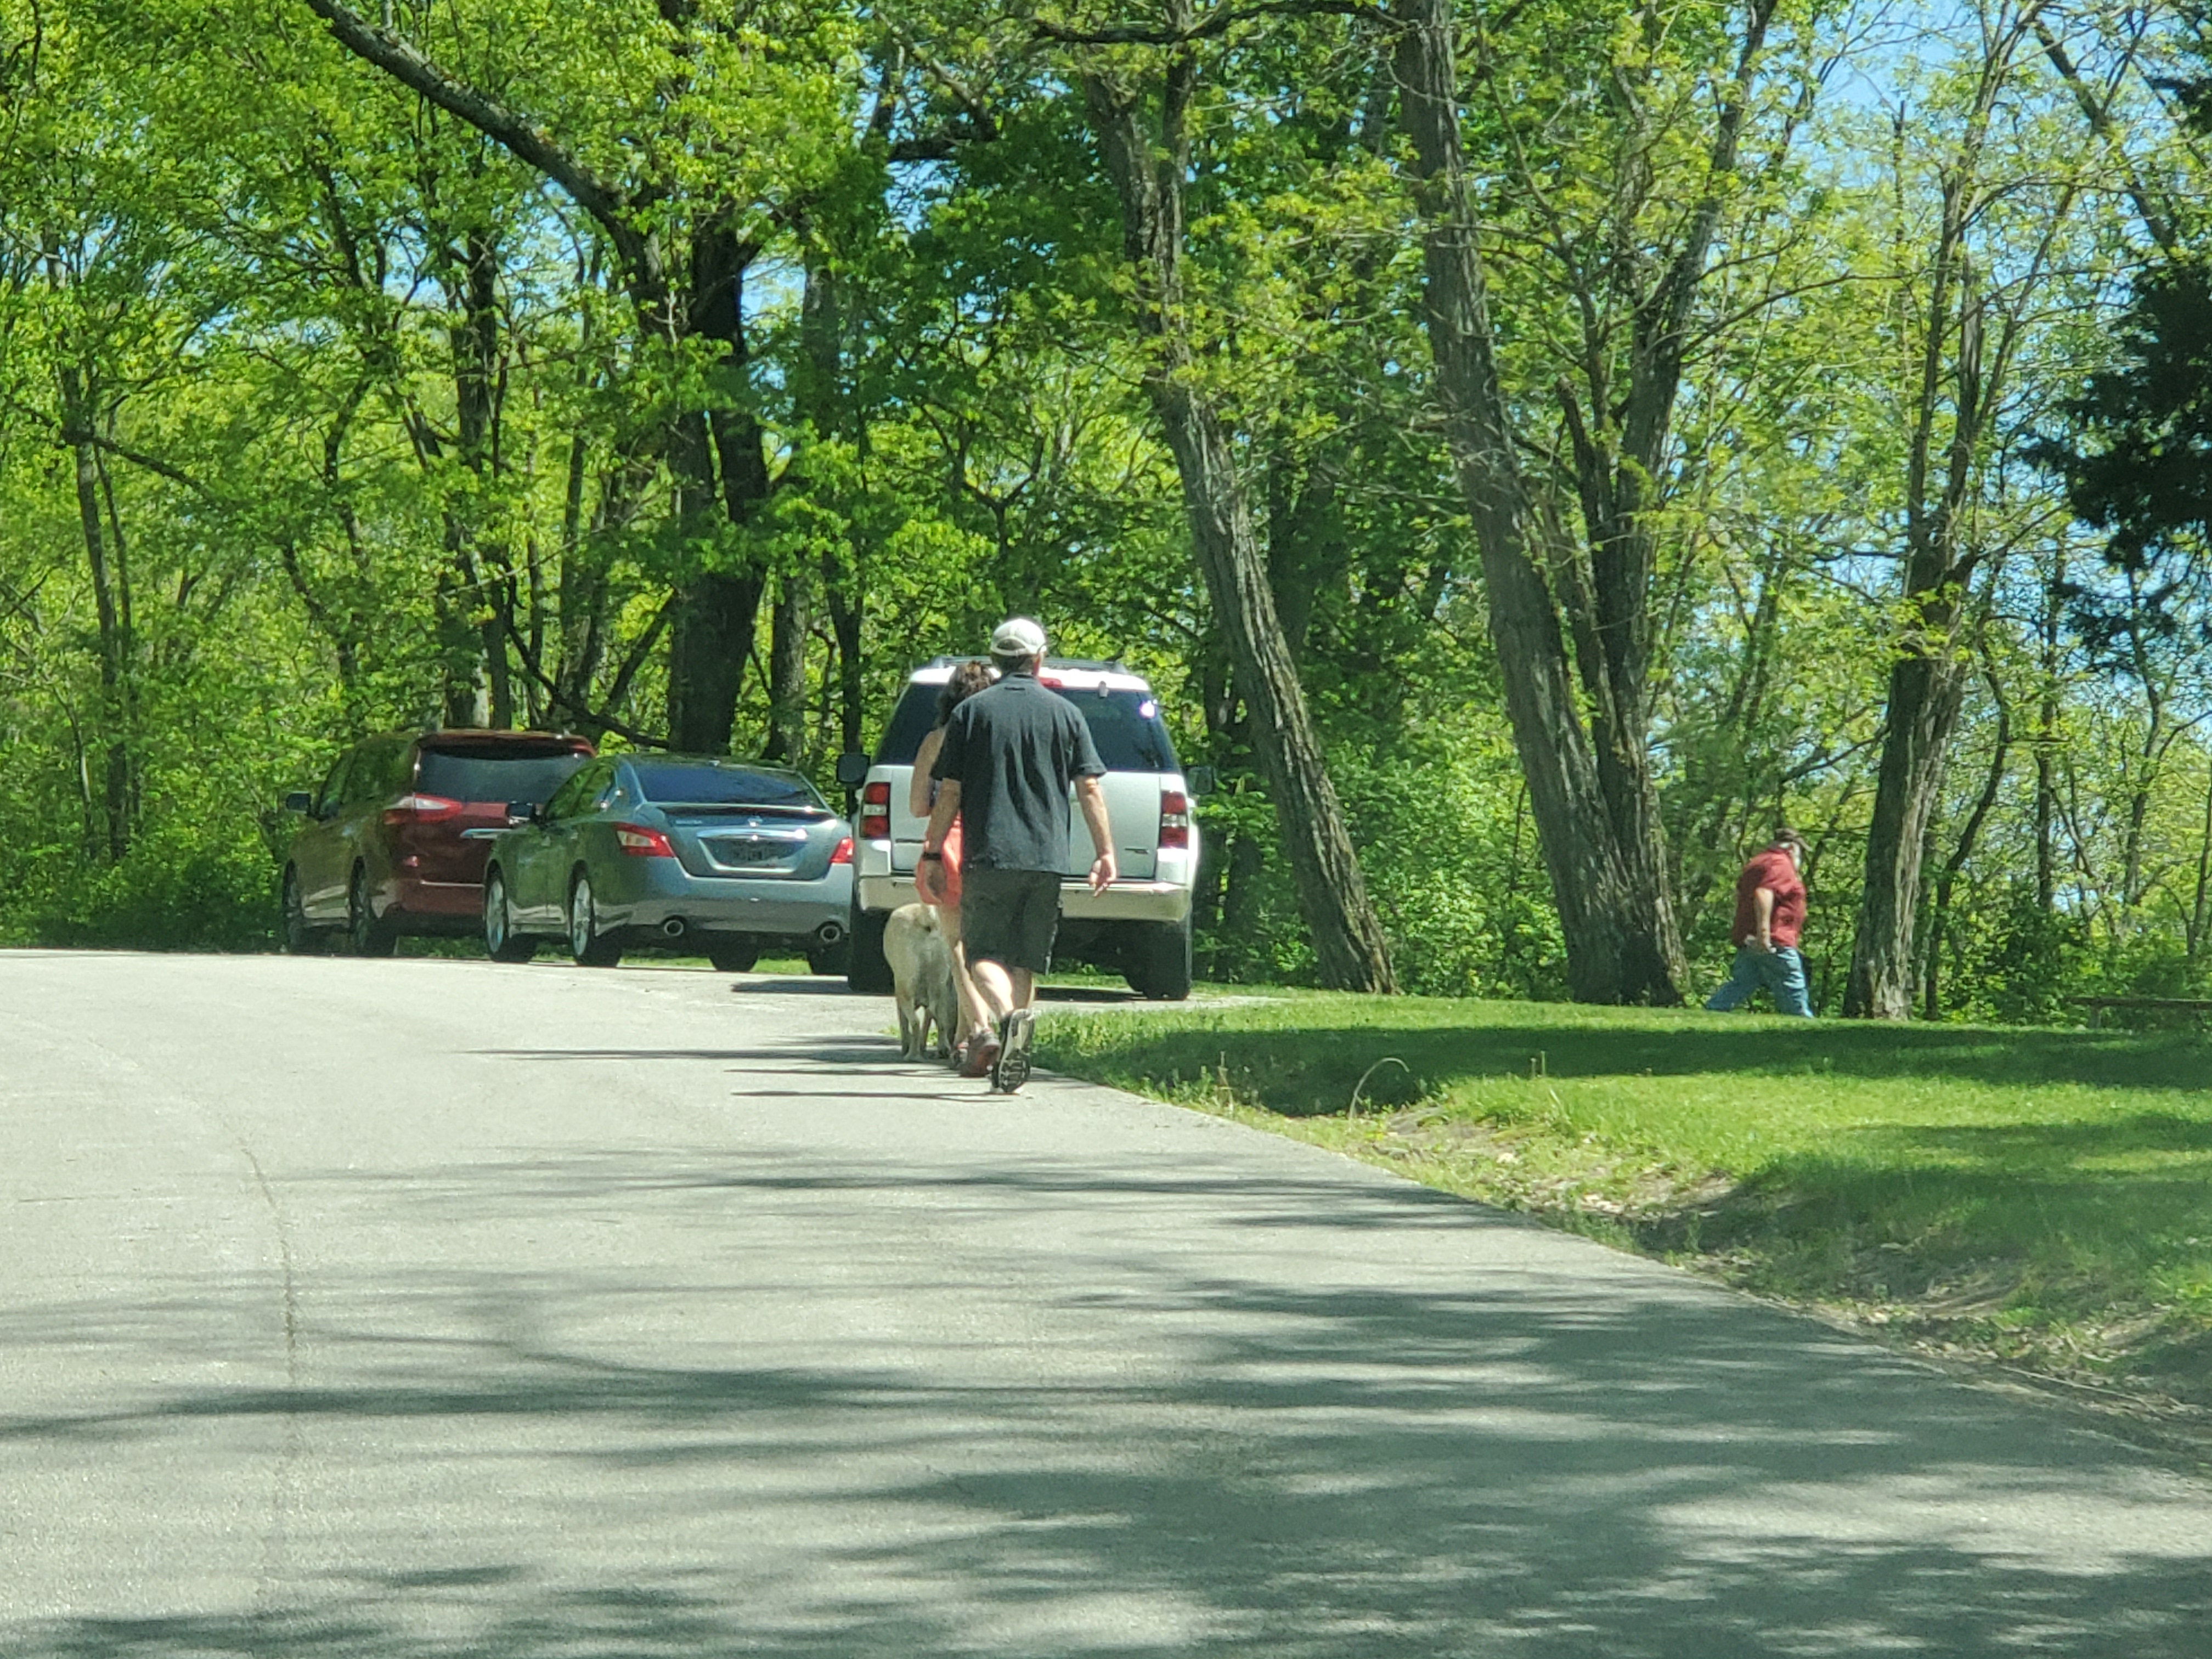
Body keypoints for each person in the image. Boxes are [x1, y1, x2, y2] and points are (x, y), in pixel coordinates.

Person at [918, 617, 1115, 1091]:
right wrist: (1104, 852)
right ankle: (1015, 1046)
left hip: (990, 853)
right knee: (1024, 958)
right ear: (1039, 657)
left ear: (995, 660)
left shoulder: (972, 714)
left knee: (980, 954)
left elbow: (949, 792)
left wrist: (930, 853)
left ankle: (1007, 1021)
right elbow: (1089, 788)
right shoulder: (1067, 714)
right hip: (1047, 857)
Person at [909, 659, 996, 1066]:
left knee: (957, 944)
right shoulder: (999, 734)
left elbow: (916, 805)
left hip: (949, 840)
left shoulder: (936, 740)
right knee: (991, 945)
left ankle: (976, 1031)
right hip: (995, 839)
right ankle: (967, 1035)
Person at [1705, 829, 1814, 1018]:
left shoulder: (1758, 862)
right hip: (1774, 939)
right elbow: (1763, 893)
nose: (1800, 860)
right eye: (1800, 853)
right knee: (1792, 984)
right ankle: (1804, 1024)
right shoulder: (1780, 864)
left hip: (1748, 938)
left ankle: (1713, 1011)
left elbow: (1741, 895)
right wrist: (1764, 934)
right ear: (1790, 848)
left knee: (1744, 982)